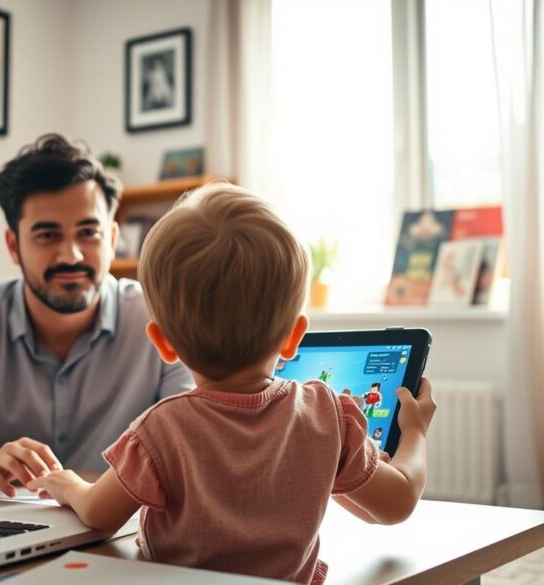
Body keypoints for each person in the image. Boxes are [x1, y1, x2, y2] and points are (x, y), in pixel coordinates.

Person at [30, 183, 436, 583]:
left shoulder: (161, 430)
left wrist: (69, 486)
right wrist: (413, 430)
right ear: (295, 336)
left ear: (163, 344)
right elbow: (396, 503)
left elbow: (100, 514)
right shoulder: (325, 413)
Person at [0, 134, 194, 497]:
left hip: (126, 530)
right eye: (48, 235)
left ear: (112, 239)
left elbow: (194, 441)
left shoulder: (162, 318)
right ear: (13, 246)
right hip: (6, 525)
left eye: (88, 233)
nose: (72, 256)